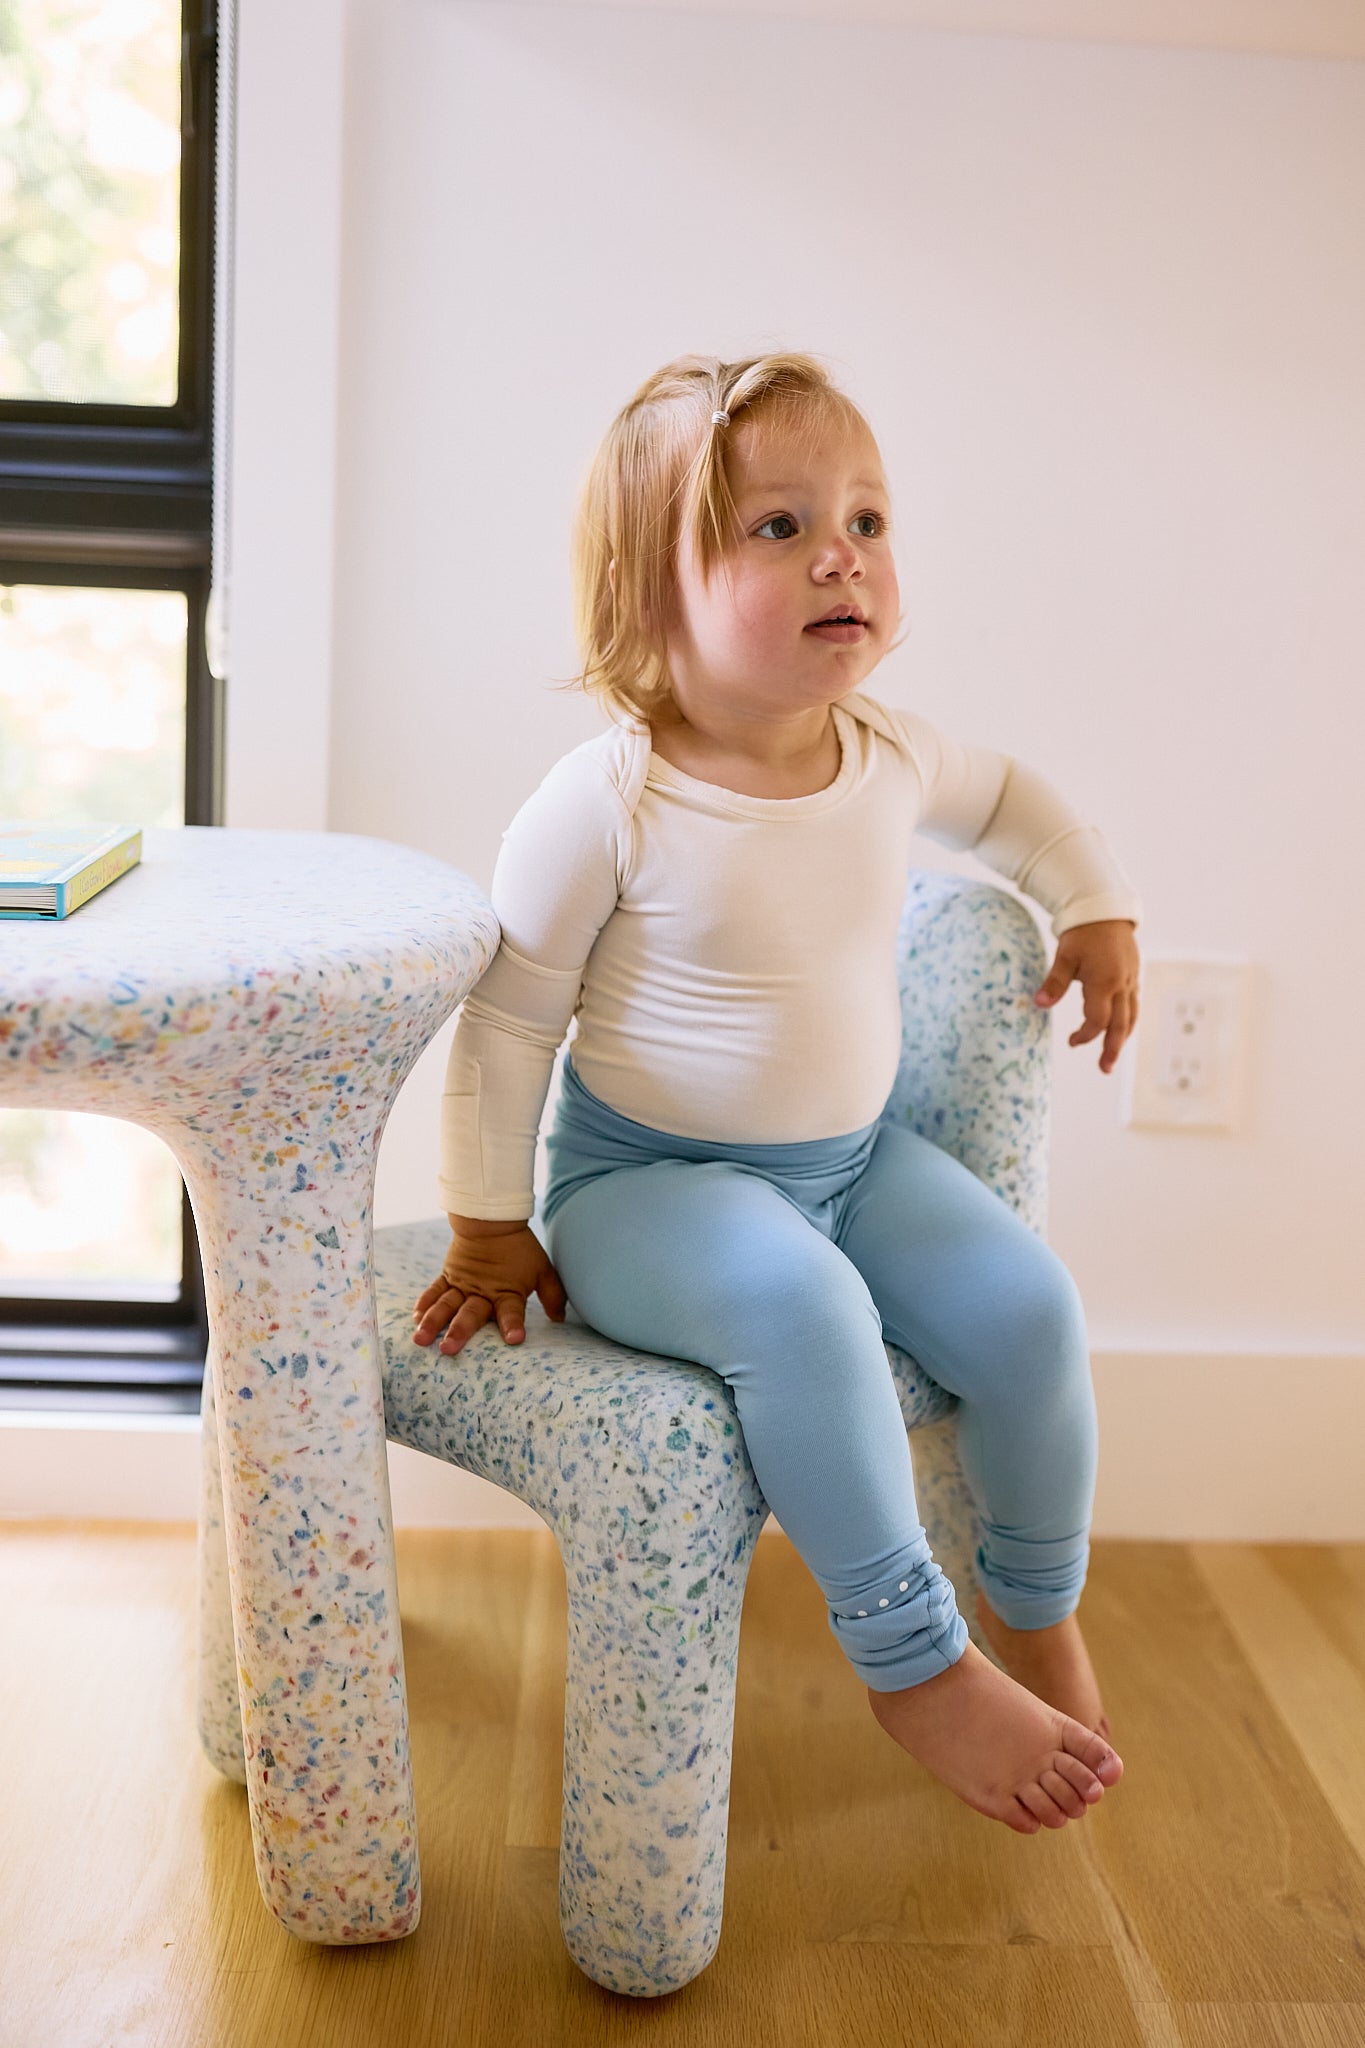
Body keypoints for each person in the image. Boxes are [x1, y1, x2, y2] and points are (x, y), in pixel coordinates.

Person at [413, 351, 1139, 1837]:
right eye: (776, 527)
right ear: (644, 594)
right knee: (804, 1308)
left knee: (1029, 1308)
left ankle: (1033, 1603)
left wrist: (1090, 903)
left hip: (848, 1161)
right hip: (644, 1191)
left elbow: (1009, 803)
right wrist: (488, 1225)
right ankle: (908, 1658)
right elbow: (502, 1030)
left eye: (867, 520)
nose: (841, 555)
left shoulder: (883, 753)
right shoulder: (603, 802)